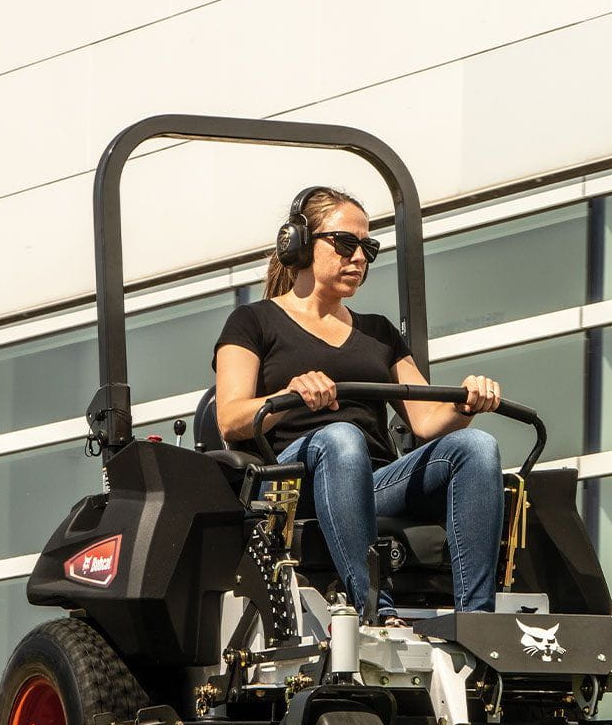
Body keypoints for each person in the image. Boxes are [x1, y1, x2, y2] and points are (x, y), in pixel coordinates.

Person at [212, 186, 505, 625]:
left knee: (477, 446)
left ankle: (477, 622)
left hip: (370, 485)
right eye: (345, 243)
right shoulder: (253, 321)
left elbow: (426, 421)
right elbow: (230, 419)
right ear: (299, 242)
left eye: (367, 248)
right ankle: (375, 611)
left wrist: (465, 405)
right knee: (340, 438)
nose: (359, 258)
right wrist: (288, 395)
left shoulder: (379, 332)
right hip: (293, 486)